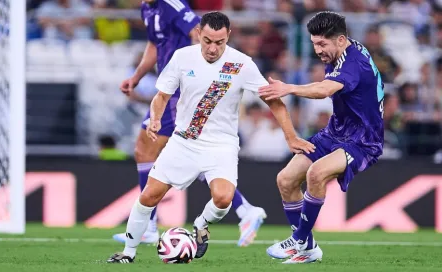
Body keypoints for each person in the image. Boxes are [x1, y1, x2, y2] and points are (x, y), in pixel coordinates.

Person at [107, 11, 315, 264]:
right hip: (183, 141)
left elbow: (274, 101)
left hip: (221, 144)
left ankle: (201, 223)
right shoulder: (182, 57)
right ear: (198, 34)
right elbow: (161, 96)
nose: (213, 48)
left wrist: (291, 137)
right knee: (149, 196)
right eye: (207, 41)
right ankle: (127, 253)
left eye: (219, 42)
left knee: (224, 198)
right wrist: (155, 119)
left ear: (228, 36)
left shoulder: (242, 64)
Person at [114, 0, 269, 247]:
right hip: (169, 89)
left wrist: (203, 81)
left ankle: (152, 226)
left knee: (170, 148)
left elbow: (199, 32)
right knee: (150, 150)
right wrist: (136, 76)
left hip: (181, 92)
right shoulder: (147, 7)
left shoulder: (171, 5)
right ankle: (243, 210)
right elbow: (155, 44)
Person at [259, 11, 384, 264]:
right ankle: (308, 248)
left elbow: (326, 89)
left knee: (316, 174)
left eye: (322, 44)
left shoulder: (354, 63)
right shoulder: (341, 50)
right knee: (285, 180)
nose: (317, 50)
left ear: (340, 40)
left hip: (363, 140)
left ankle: (300, 240)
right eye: (314, 43)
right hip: (335, 132)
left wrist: (288, 88)